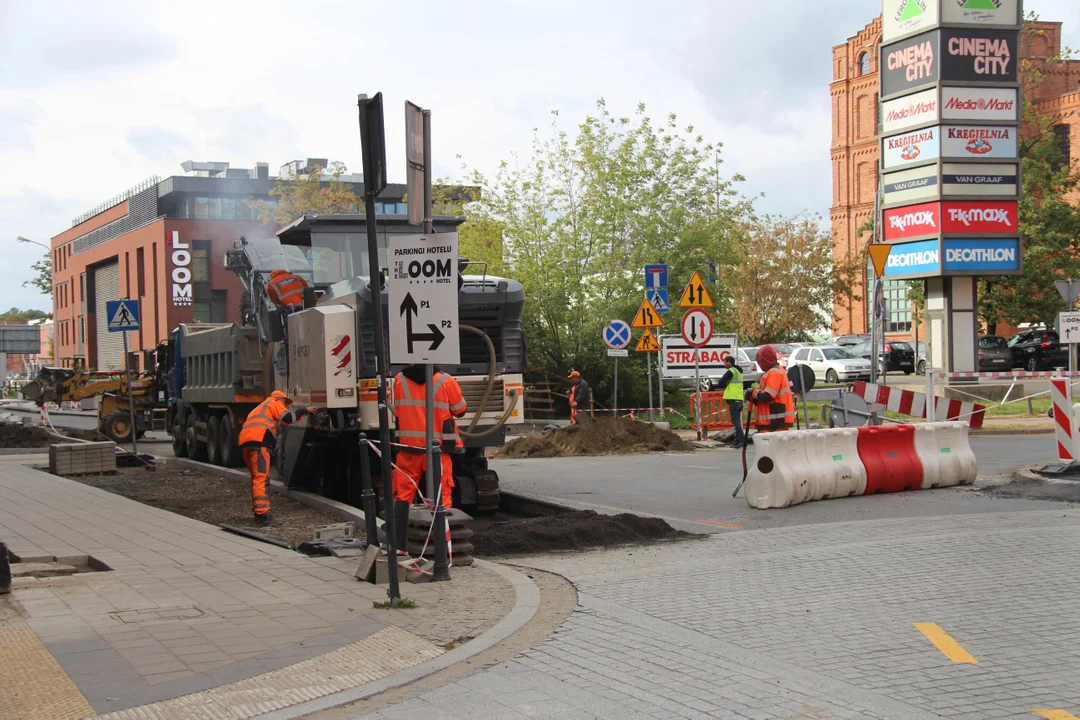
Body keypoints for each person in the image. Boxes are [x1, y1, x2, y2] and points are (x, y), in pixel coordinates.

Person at [391, 366, 468, 551]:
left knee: (403, 496)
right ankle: (441, 547)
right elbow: (460, 409)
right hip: (437, 449)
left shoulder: (399, 380)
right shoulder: (445, 380)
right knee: (441, 497)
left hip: (408, 448)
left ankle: (399, 545)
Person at [239, 391, 317, 525]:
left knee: (256, 478)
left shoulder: (260, 407)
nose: (285, 405)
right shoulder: (274, 402)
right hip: (260, 442)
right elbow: (288, 418)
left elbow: (286, 422)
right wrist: (306, 410)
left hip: (247, 443)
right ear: (279, 397)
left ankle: (258, 510)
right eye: (285, 402)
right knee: (261, 477)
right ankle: (262, 514)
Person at [745, 344, 795, 432]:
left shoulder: (774, 373)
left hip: (773, 420)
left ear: (764, 360)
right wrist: (754, 396)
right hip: (774, 419)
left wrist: (753, 393)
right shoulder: (775, 371)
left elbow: (768, 396)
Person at [717, 355, 747, 447]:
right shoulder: (739, 372)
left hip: (733, 399)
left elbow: (720, 382)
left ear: (729, 362)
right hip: (739, 399)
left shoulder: (731, 371)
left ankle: (742, 439)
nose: (724, 365)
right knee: (737, 421)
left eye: (725, 362)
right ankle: (737, 440)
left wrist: (726, 382)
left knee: (735, 421)